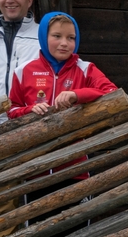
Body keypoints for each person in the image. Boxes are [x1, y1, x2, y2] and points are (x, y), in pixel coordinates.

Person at [8, 12, 117, 180]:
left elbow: (112, 92)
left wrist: (76, 94)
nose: (64, 43)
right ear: (44, 36)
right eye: (57, 36)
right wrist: (30, 110)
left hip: (75, 166)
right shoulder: (23, 71)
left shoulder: (86, 69)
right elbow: (12, 110)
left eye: (71, 38)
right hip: (35, 170)